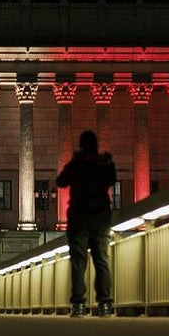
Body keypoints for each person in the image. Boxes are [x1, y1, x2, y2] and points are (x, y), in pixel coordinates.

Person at [56, 129, 118, 318]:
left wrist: (76, 164)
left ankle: (78, 304)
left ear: (82, 145)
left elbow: (61, 182)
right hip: (100, 218)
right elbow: (112, 180)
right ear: (96, 145)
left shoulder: (77, 164)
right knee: (101, 260)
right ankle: (105, 303)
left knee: (78, 262)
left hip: (79, 218)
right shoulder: (105, 163)